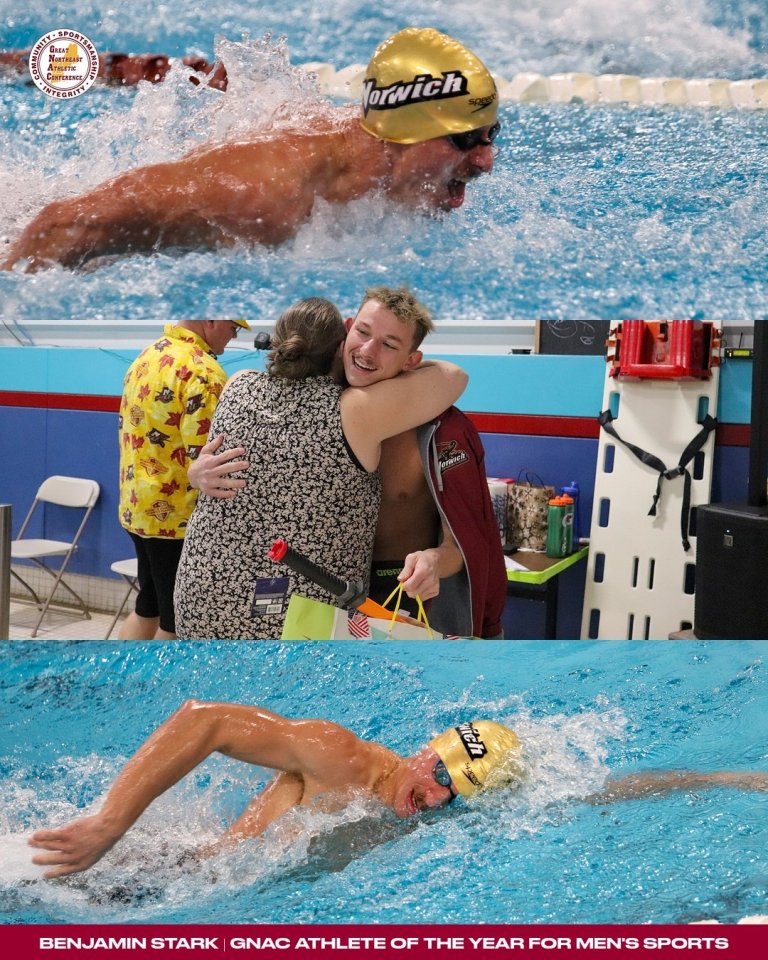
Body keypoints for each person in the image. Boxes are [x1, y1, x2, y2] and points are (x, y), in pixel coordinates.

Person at [26, 700, 768, 880]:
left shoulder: (431, 810)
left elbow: (601, 794)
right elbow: (203, 720)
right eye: (441, 773)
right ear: (424, 752)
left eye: (461, 794)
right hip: (156, 874)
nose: (440, 797)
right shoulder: (338, 756)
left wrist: (722, 777)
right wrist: (109, 825)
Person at [1, 27, 500, 272]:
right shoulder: (267, 199)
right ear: (401, 131)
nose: (485, 161)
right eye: (463, 139)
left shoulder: (379, 163)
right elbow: (60, 225)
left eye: (490, 135)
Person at [190, 287, 508, 638]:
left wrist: (433, 561)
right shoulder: (317, 401)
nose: (368, 351)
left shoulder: (440, 431)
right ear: (346, 330)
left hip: (395, 590)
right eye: (363, 332)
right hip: (311, 598)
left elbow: (462, 543)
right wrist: (196, 474)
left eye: (389, 345)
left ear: (411, 361)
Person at [118, 320, 249, 640]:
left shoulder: (148, 356)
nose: (234, 337)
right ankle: (163, 691)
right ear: (212, 320)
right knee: (177, 625)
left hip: (139, 508)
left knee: (147, 607)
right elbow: (210, 460)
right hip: (179, 520)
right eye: (234, 327)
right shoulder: (203, 373)